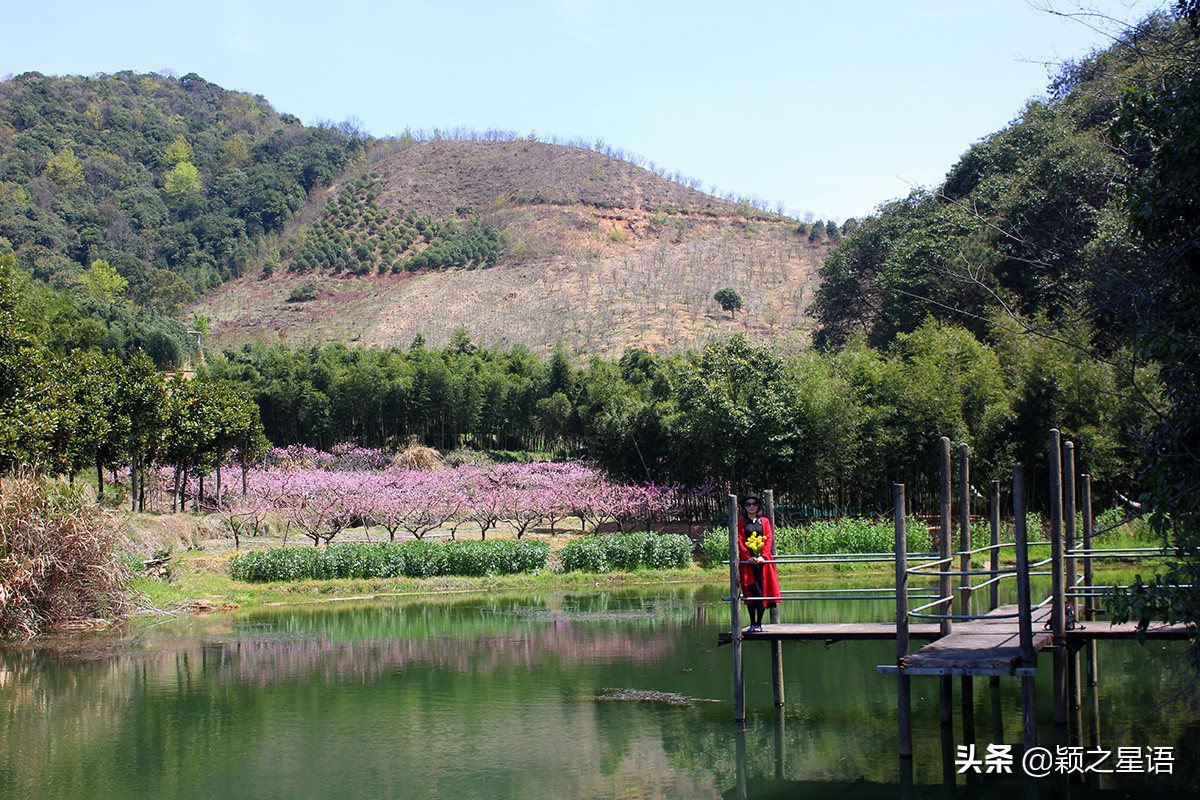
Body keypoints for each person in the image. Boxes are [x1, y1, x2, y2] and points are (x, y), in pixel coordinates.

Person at [737, 494, 780, 632]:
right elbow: (739, 540)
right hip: (748, 564)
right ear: (744, 507)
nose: (751, 506)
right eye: (748, 504)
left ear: (758, 506)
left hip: (763, 564)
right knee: (750, 594)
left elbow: (768, 540)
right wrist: (748, 557)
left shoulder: (765, 522)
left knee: (763, 593)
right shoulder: (741, 523)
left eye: (754, 504)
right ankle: (752, 622)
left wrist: (763, 556)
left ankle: (759, 624)